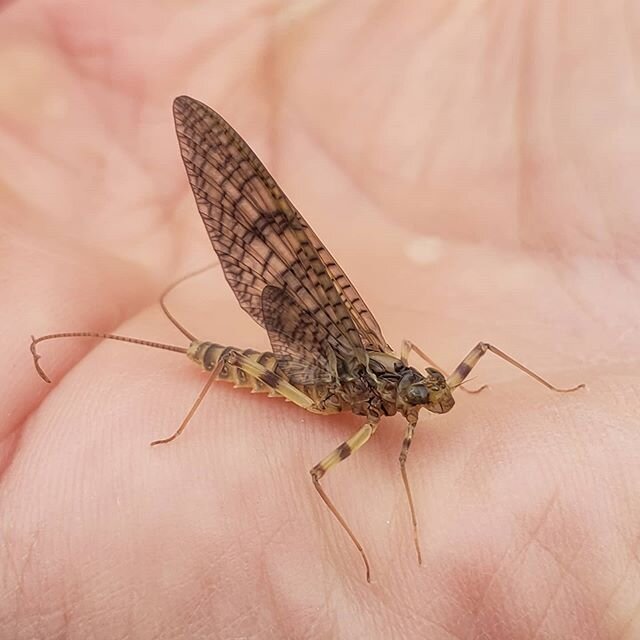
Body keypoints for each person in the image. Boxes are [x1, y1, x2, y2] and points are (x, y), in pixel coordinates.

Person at [3, 2, 638, 637]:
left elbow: (433, 380)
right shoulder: (383, 406)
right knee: (256, 400)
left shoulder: (405, 391)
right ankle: (190, 394)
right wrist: (409, 523)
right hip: (300, 379)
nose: (433, 392)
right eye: (431, 387)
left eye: (434, 387)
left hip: (329, 366)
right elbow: (397, 458)